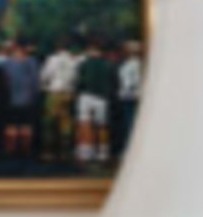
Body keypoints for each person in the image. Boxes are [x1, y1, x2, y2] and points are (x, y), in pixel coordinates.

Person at [75, 40, 118, 169]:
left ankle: (85, 155)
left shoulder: (83, 64)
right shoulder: (109, 65)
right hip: (103, 98)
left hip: (86, 96)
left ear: (89, 50)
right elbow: (115, 83)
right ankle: (103, 154)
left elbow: (79, 82)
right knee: (102, 126)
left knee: (85, 124)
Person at [40, 41, 81, 164]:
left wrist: (44, 86)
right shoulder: (74, 60)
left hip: (54, 92)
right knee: (66, 123)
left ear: (57, 48)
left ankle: (49, 152)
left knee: (50, 122)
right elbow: (76, 77)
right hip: (68, 93)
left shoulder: (52, 59)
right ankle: (65, 152)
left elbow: (45, 76)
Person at [114, 38, 144, 165]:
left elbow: (128, 82)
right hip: (136, 96)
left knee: (129, 125)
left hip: (129, 97)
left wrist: (125, 90)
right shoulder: (141, 64)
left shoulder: (128, 65)